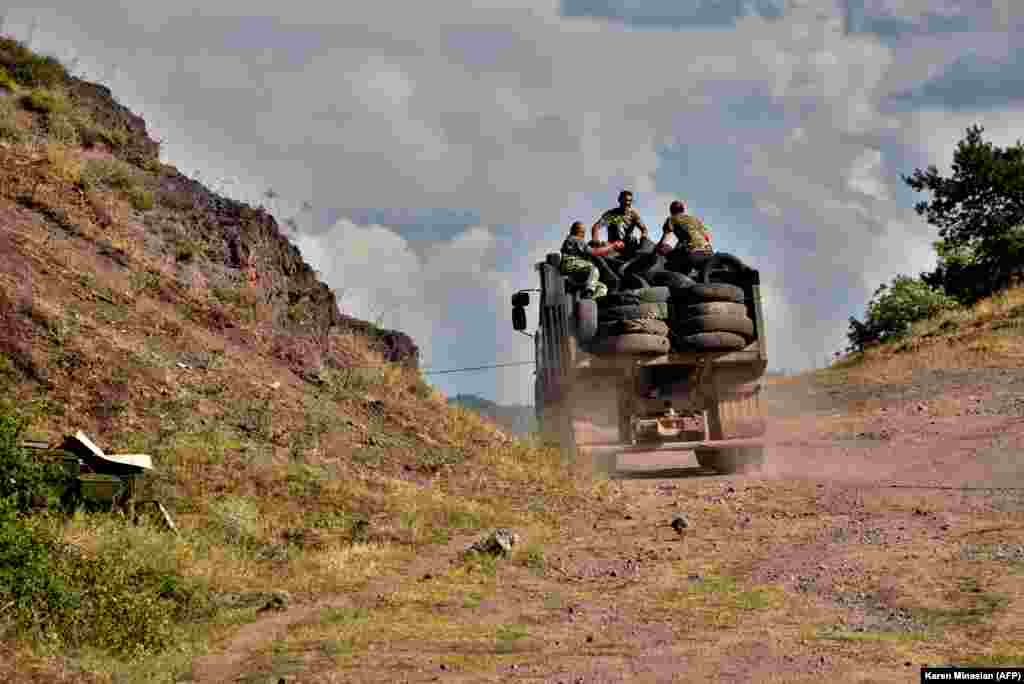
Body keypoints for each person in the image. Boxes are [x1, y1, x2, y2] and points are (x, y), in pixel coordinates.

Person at [560, 221, 622, 298]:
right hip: (570, 264)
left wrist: (606, 248)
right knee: (593, 269)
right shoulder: (574, 239)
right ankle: (588, 293)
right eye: (581, 232)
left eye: (583, 232)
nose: (582, 234)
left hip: (579, 271)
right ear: (574, 231)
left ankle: (591, 302)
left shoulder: (578, 242)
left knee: (602, 287)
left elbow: (595, 252)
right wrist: (613, 246)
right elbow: (594, 252)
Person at [658, 199, 714, 275]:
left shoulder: (671, 219)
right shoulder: (693, 219)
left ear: (671, 211)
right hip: (709, 252)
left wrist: (657, 249)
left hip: (693, 254)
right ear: (683, 210)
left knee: (669, 262)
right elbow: (707, 237)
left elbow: (664, 241)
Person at [591, 190, 648, 256]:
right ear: (619, 200)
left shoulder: (633, 215)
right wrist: (595, 241)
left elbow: (644, 229)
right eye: (625, 200)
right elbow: (596, 227)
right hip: (613, 246)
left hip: (628, 247)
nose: (627, 203)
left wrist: (643, 237)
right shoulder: (611, 214)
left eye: (629, 201)